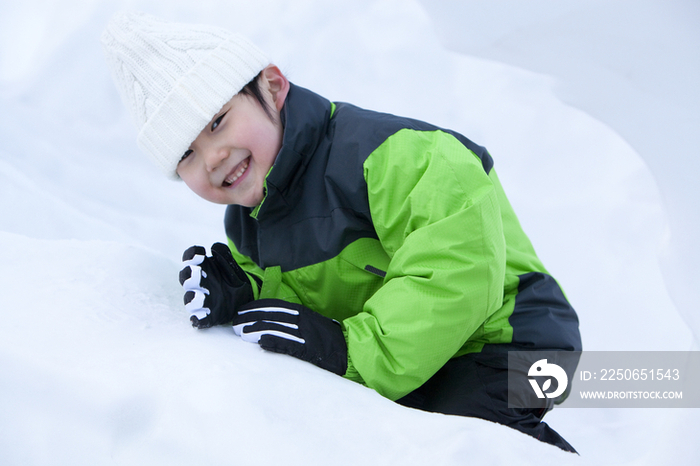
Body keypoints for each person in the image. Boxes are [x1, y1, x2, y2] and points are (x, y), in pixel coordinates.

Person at [101, 11, 582, 452]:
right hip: (420, 361)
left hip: (528, 349)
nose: (213, 156)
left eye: (218, 122)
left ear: (272, 86)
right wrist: (242, 289)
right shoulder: (250, 223)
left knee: (452, 434)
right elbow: (307, 301)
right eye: (186, 153)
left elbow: (456, 272)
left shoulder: (397, 157)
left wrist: (348, 349)